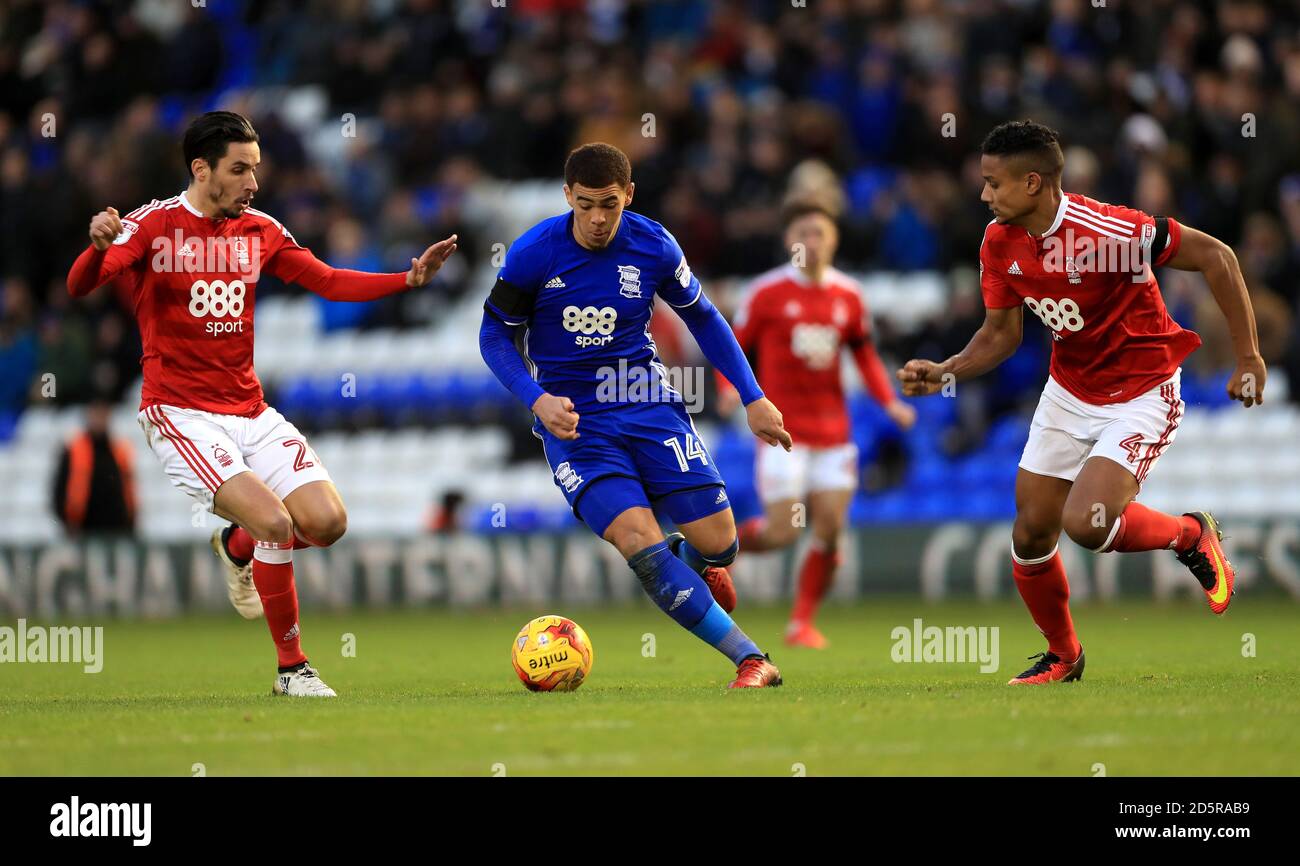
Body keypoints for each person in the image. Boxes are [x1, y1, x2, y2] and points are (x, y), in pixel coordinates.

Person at [67, 111, 458, 697]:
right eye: (240, 169)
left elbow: (325, 280)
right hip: (181, 414)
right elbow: (81, 285)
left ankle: (236, 544)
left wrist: (404, 280)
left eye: (257, 168)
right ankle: (292, 669)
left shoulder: (259, 229)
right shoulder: (151, 226)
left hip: (249, 410)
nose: (254, 182)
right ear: (202, 169)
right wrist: (98, 247)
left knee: (327, 524)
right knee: (276, 521)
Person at [898, 120, 1264, 685]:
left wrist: (1247, 357)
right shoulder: (999, 242)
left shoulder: (1110, 232)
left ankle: (1191, 535)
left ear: (1034, 183)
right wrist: (947, 370)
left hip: (1142, 390)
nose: (984, 194)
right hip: (1070, 390)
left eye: (994, 183)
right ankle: (1064, 656)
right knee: (1030, 533)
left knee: (1088, 524)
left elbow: (1217, 257)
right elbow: (1001, 335)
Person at [479, 142, 792, 688]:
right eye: (584, 205)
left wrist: (752, 395)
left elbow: (706, 319)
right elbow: (493, 335)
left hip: (648, 403)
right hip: (576, 423)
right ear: (567, 197)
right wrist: (537, 398)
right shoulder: (533, 253)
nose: (597, 219)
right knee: (637, 540)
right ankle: (752, 659)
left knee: (721, 541)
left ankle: (690, 562)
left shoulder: (653, 245)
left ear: (629, 195)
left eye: (609, 204)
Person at [718, 199, 916, 649]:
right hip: (781, 434)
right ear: (789, 241)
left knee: (828, 529)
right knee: (784, 532)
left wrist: (890, 403)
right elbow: (730, 346)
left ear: (834, 240)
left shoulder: (849, 295)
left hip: (833, 434)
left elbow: (864, 354)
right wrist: (730, 388)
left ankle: (800, 623)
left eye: (820, 232)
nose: (812, 241)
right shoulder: (765, 293)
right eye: (803, 232)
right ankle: (721, 552)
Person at [52, 398, 137, 535]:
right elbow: (59, 490)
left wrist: (130, 523)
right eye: (96, 413)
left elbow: (128, 490)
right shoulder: (73, 450)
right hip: (81, 531)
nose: (99, 418)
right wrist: (68, 524)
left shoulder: (119, 450)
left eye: (103, 413)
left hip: (116, 531)